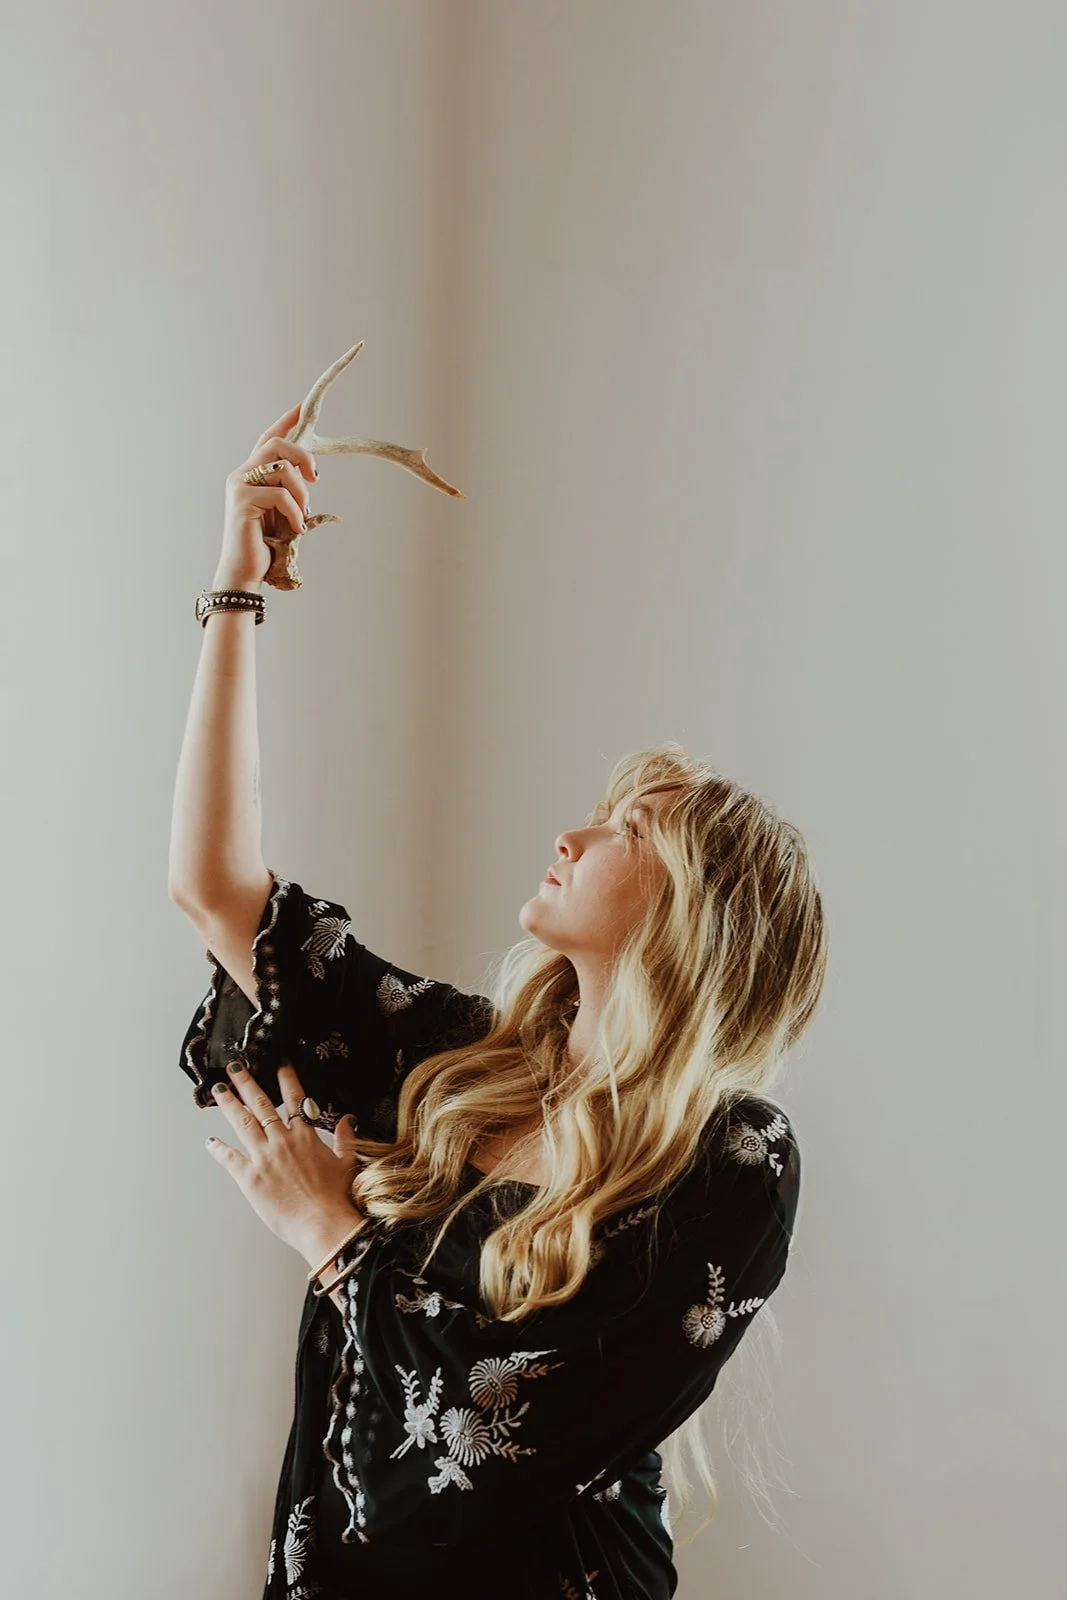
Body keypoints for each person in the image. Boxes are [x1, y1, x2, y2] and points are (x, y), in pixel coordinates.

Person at [168, 406, 827, 1599]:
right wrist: (234, 589)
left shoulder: (732, 1158)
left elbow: (496, 1443)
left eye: (628, 830)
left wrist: (330, 1235)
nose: (572, 836)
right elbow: (218, 892)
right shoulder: (458, 1059)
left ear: (695, 921)